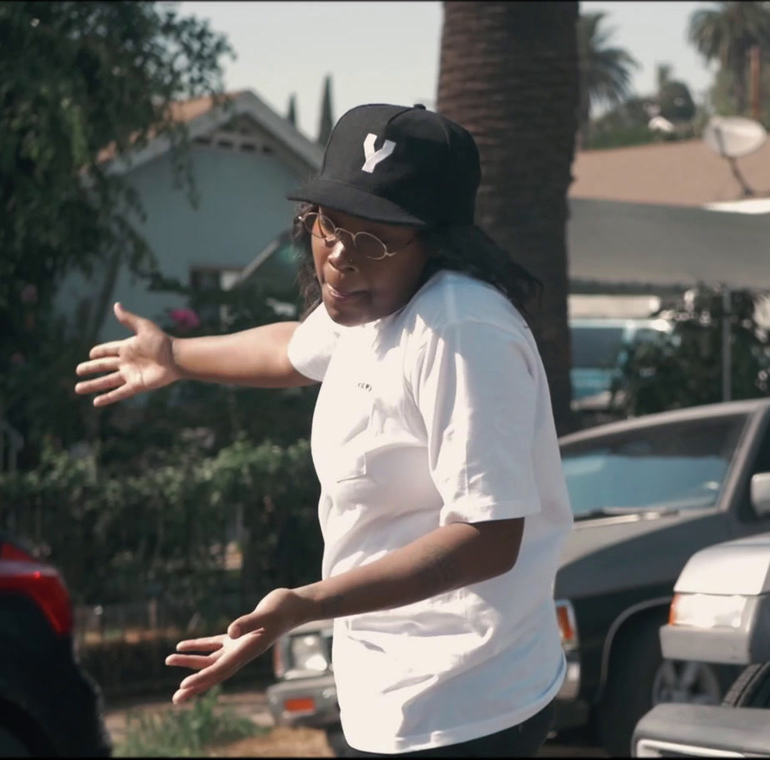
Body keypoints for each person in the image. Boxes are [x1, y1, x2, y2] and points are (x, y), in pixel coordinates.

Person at [73, 104, 573, 758]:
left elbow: (488, 538)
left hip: (466, 701)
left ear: (438, 241)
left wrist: (307, 603)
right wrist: (177, 358)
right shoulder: (373, 305)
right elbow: (293, 349)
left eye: (373, 239)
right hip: (387, 689)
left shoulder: (460, 332)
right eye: (327, 225)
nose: (338, 256)